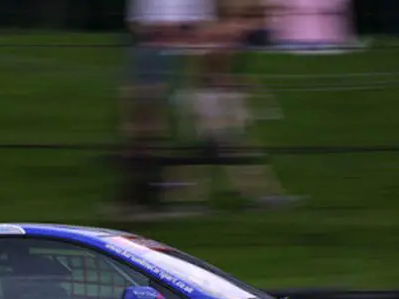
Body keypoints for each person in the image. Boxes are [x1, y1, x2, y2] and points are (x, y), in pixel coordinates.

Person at [182, 0, 301, 209]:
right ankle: (261, 196)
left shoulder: (218, 29)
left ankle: (260, 195)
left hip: (215, 95)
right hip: (213, 98)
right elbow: (208, 73)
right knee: (224, 149)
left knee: (224, 149)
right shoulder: (220, 32)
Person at [114, 0, 216, 220]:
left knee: (168, 123)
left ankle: (164, 190)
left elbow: (204, 25)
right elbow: (135, 23)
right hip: (150, 53)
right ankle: (143, 191)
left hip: (180, 55)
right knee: (142, 121)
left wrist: (180, 36)